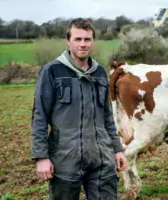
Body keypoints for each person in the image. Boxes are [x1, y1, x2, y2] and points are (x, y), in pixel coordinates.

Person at [31, 18, 127, 200]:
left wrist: (117, 149)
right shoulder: (51, 71)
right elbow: (39, 116)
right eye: (78, 39)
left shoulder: (99, 73)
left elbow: (106, 116)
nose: (83, 44)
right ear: (68, 41)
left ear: (93, 41)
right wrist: (41, 156)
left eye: (87, 39)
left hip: (101, 158)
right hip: (65, 159)